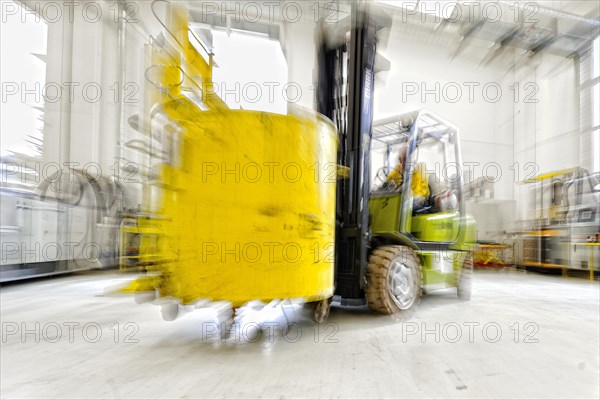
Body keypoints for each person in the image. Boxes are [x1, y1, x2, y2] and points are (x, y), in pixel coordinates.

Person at [383, 144, 456, 212]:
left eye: (406, 158)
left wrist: (401, 190)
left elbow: (416, 193)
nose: (402, 162)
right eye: (401, 159)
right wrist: (387, 185)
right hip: (404, 202)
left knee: (408, 204)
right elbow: (388, 181)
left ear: (412, 158)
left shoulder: (419, 168)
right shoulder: (398, 169)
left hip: (419, 199)